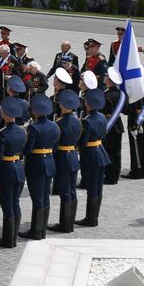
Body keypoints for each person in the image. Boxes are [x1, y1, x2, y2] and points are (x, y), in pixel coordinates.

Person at [20, 94, 60, 241]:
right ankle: (41, 228)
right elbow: (55, 146)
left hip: (36, 164)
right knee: (44, 197)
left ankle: (35, 230)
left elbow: (28, 149)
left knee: (37, 197)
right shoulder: (55, 125)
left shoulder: (33, 128)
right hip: (49, 162)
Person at [0, 99, 28, 248]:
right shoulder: (22, 131)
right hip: (18, 167)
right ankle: (13, 237)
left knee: (7, 205)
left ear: (4, 114)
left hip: (5, 170)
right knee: (15, 203)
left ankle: (7, 239)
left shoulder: (2, 134)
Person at [48, 91, 82, 232]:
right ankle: (70, 222)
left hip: (63, 158)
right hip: (73, 156)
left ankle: (65, 224)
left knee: (65, 192)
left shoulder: (60, 123)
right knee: (71, 191)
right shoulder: (78, 121)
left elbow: (55, 144)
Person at [76, 89, 109, 227]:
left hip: (91, 154)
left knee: (92, 187)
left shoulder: (87, 121)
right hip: (100, 151)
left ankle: (91, 218)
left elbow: (83, 142)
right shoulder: (102, 117)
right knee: (97, 187)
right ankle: (93, 217)